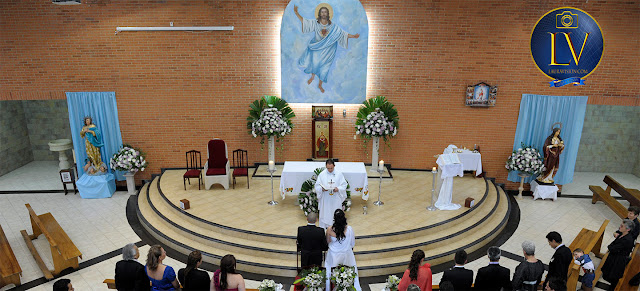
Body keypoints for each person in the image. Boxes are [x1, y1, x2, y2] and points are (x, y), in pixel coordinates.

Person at [293, 4, 360, 93]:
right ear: (319, 14)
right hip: (317, 47)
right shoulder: (315, 23)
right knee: (315, 63)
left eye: (325, 12)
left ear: (328, 14)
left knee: (325, 68)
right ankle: (312, 76)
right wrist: (296, 13)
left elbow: (342, 34)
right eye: (322, 12)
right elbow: (305, 22)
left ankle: (320, 84)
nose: (324, 13)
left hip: (328, 50)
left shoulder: (333, 26)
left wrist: (353, 36)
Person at [324, 209, 361, 291]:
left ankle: (330, 287)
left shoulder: (329, 229)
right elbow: (352, 243)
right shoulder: (350, 229)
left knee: (330, 270)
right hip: (346, 255)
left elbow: (328, 242)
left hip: (333, 255)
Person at [601, 219, 636, 290]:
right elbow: (613, 245)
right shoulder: (622, 234)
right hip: (615, 255)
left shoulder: (627, 240)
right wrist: (611, 247)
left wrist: (610, 247)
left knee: (614, 275)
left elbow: (612, 248)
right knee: (608, 270)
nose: (619, 227)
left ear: (628, 229)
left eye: (622, 226)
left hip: (618, 259)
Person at [315, 159, 348, 229]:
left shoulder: (339, 174)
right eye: (328, 168)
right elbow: (317, 186)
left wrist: (338, 188)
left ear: (334, 166)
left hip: (335, 198)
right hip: (325, 198)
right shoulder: (322, 174)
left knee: (335, 211)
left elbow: (344, 185)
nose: (330, 170)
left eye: (331, 168)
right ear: (326, 166)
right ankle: (325, 226)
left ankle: (336, 226)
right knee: (325, 213)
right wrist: (321, 189)